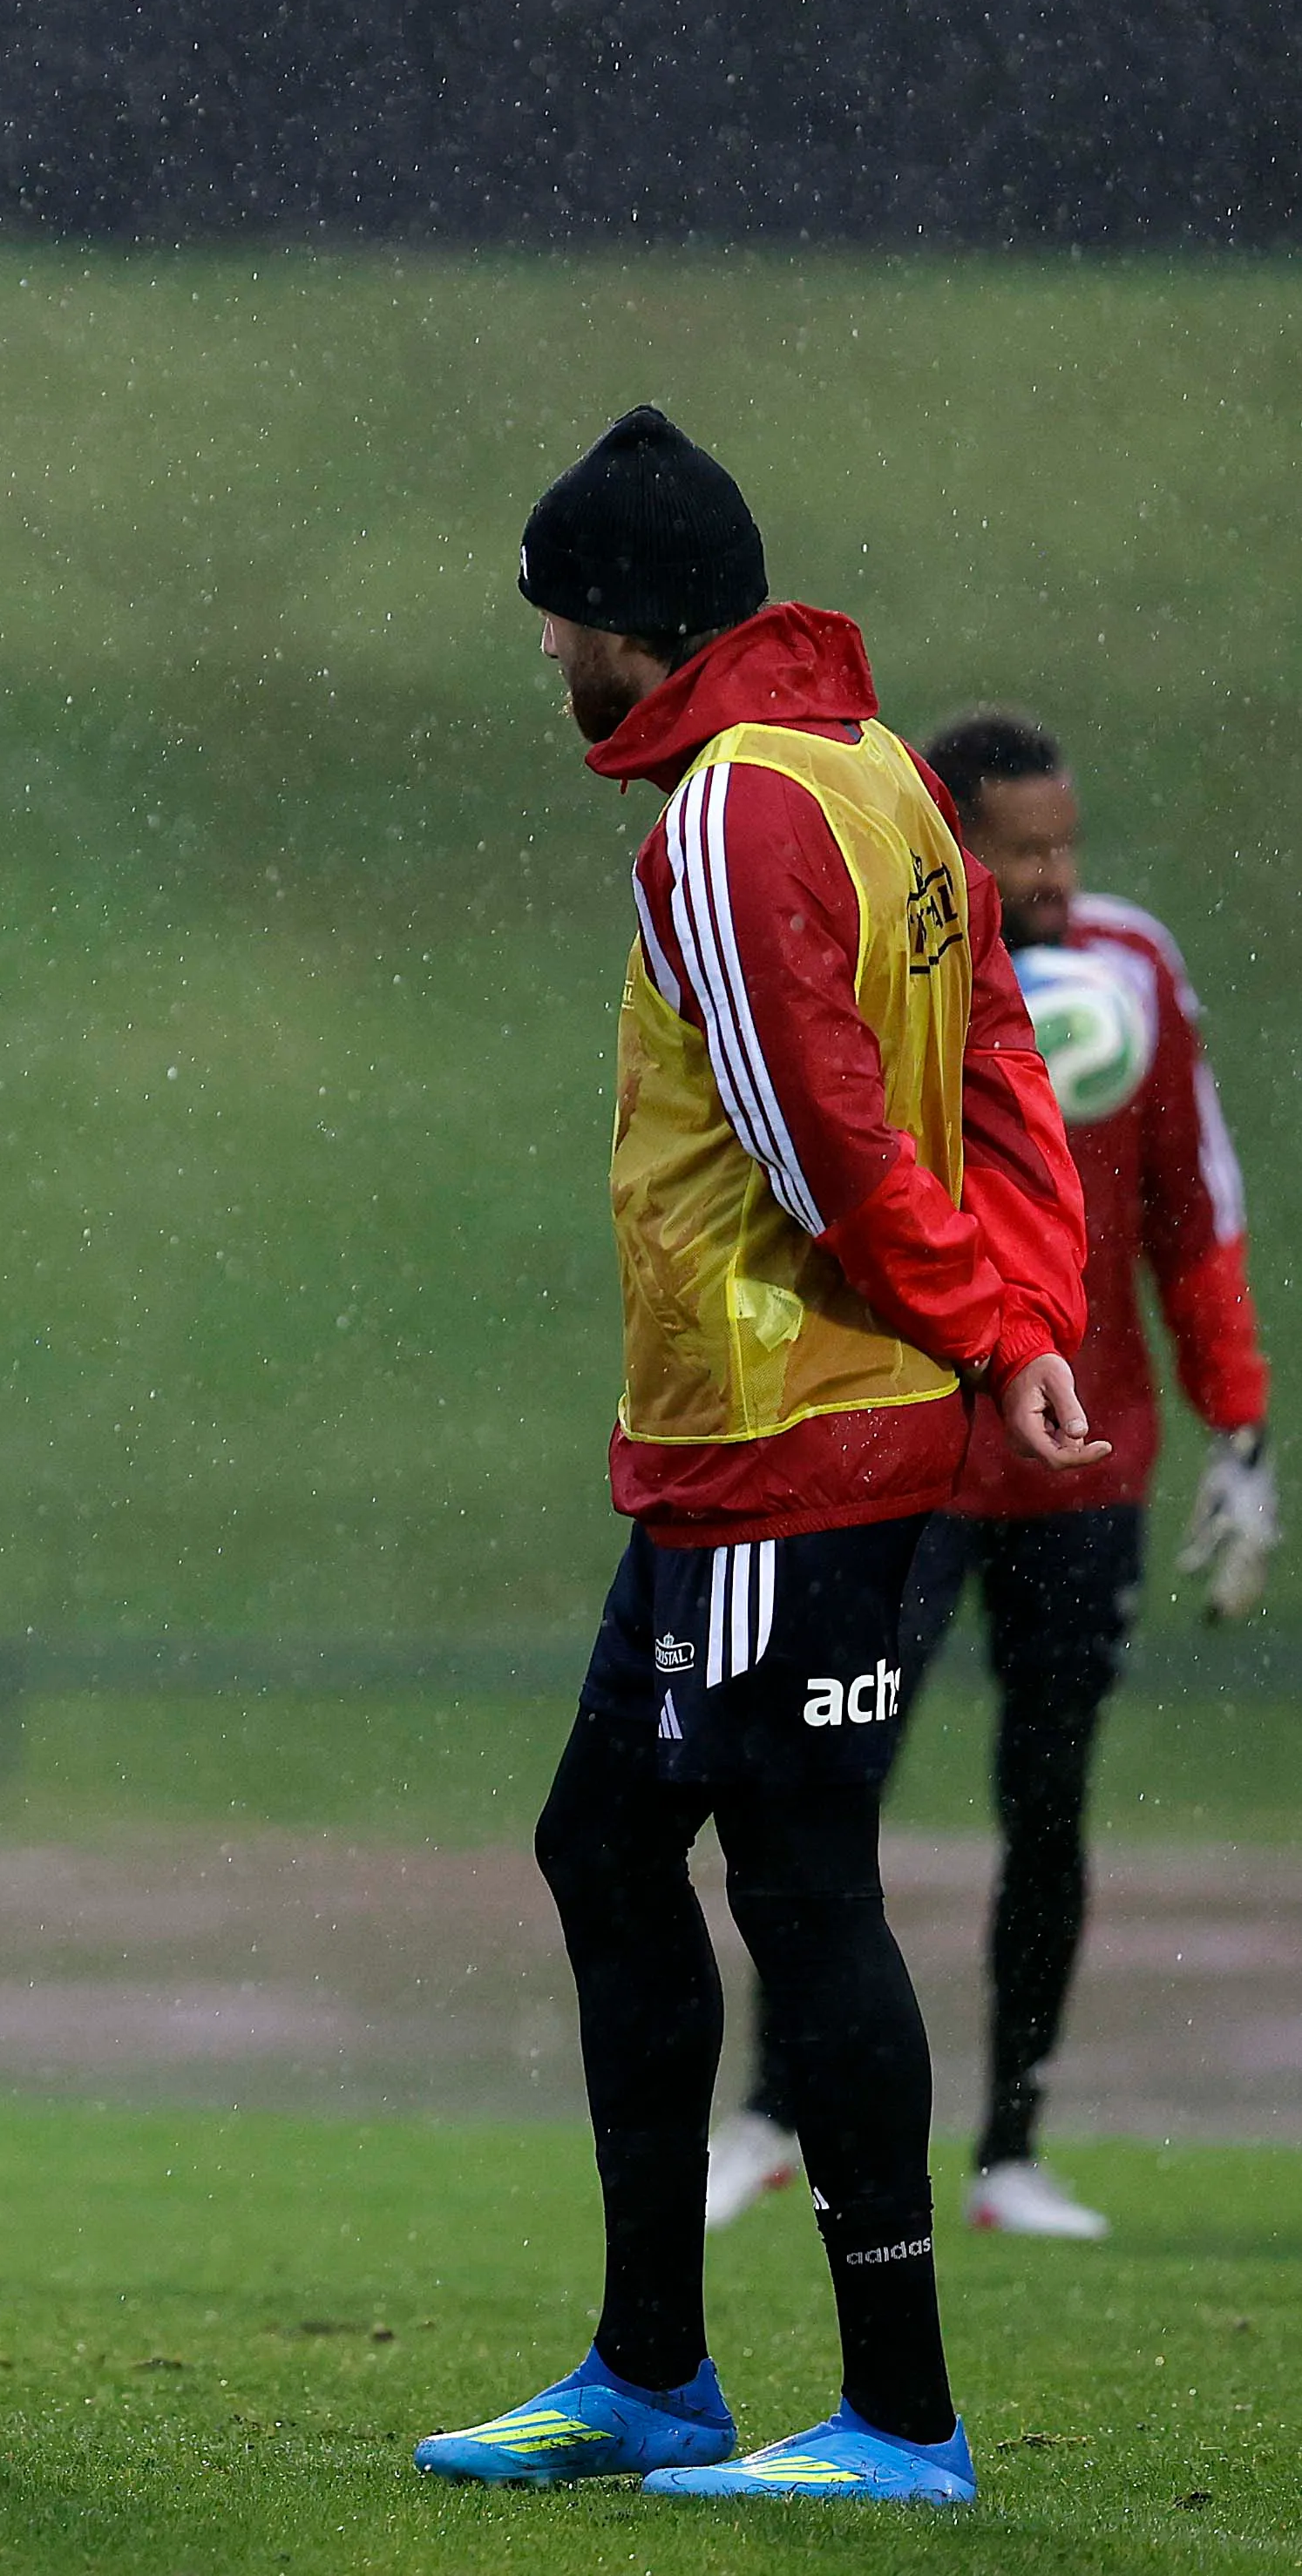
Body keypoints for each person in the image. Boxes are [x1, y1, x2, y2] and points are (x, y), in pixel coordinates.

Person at [416, 408, 1094, 2507]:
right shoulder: (878, 769)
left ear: (633, 618)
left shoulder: (724, 808)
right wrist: (1026, 1310)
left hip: (783, 1426)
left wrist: (985, 1319)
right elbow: (998, 1062)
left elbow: (821, 1135)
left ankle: (897, 2413)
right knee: (605, 1849)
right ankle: (651, 2370)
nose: (548, 653)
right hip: (767, 1439)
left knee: (801, 1889)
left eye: (558, 619)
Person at [706, 709, 1271, 2244]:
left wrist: (1238, 1427)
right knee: (826, 1790)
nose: (1054, 877)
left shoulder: (1130, 968)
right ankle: (766, 2117)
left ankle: (1010, 2150)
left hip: (1081, 1470)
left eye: (1064, 845)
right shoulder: (880, 965)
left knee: (1048, 1803)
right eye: (1022, 851)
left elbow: (1191, 1210)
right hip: (896, 1462)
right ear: (948, 844)